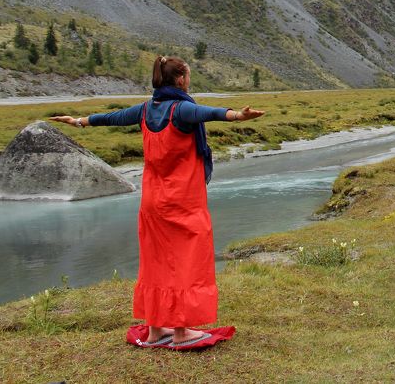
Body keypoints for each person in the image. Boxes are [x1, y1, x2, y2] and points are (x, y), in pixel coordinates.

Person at [51, 55, 264, 349]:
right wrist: (238, 116)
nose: (189, 81)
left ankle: (154, 330)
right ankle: (181, 331)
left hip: (153, 200)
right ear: (181, 79)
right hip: (183, 200)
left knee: (156, 260)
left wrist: (79, 121)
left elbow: (113, 117)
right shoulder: (181, 109)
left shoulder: (145, 109)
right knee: (186, 259)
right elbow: (208, 113)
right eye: (188, 76)